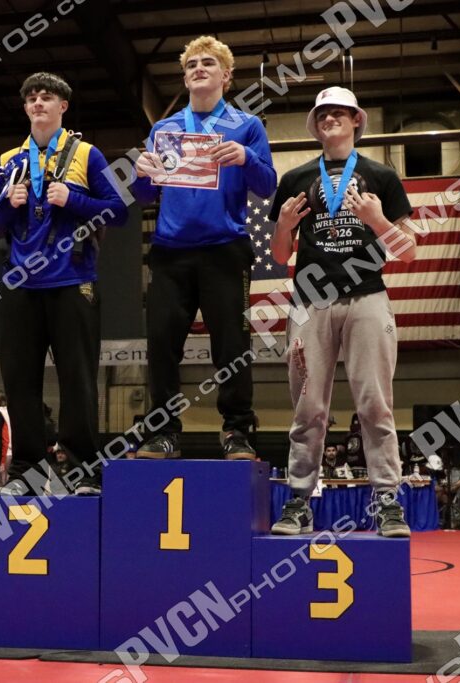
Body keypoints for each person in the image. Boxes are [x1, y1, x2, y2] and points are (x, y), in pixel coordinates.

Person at [268, 86, 415, 538]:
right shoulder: (295, 178)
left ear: (356, 120)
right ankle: (299, 500)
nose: (330, 118)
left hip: (366, 298)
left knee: (375, 404)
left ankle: (387, 501)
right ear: (314, 125)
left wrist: (378, 221)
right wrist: (284, 225)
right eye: (322, 114)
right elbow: (280, 255)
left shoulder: (381, 176)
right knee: (308, 407)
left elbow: (408, 251)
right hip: (310, 304)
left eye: (339, 112)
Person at [0, 72, 127, 496]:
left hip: (73, 280)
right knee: (20, 383)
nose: (38, 103)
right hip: (21, 285)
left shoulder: (86, 154)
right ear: (25, 108)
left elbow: (118, 210)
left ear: (63, 106)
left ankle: (82, 470)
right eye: (31, 98)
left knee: (78, 380)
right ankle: (25, 471)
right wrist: (8, 206)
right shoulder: (11, 159)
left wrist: (74, 199)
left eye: (46, 97)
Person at [133, 36, 276, 460]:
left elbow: (267, 186)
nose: (198, 68)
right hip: (170, 252)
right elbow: (145, 195)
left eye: (208, 63)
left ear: (226, 76)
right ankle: (163, 433)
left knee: (231, 347)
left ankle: (237, 431)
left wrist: (246, 157)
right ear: (184, 78)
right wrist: (141, 174)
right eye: (191, 64)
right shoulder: (164, 129)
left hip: (225, 249)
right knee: (161, 346)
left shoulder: (246, 126)